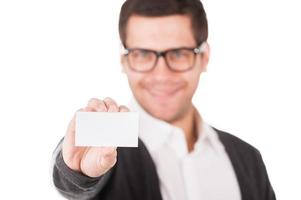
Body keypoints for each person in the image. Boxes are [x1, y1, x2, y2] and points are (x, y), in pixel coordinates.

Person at [52, 0, 276, 199]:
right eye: (143, 54)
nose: (161, 75)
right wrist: (78, 174)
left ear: (204, 57)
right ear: (125, 60)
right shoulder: (106, 153)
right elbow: (77, 182)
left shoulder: (248, 160)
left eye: (178, 53)